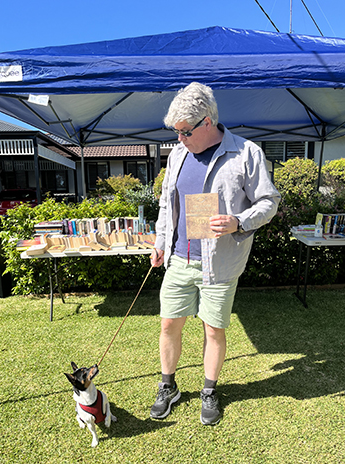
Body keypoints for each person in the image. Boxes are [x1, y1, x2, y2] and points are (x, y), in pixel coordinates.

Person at [150, 82, 281, 426]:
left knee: (213, 331)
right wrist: (161, 241)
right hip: (179, 259)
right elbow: (168, 203)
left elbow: (269, 202)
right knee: (168, 325)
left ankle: (209, 390)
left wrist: (238, 221)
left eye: (185, 131)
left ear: (207, 122)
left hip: (220, 263)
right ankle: (168, 386)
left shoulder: (246, 153)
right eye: (176, 132)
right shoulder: (178, 154)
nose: (179, 139)